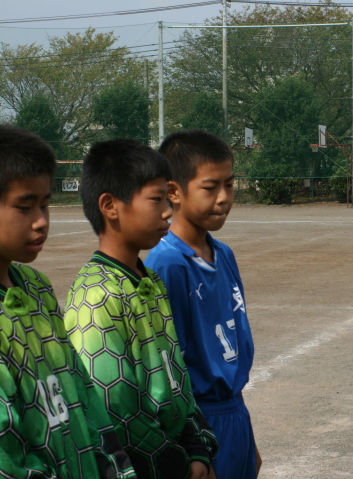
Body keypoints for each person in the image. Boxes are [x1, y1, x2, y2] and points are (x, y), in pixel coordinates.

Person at [63, 139, 218, 479]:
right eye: (156, 199)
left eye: (167, 199)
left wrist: (198, 449)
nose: (167, 211)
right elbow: (114, 409)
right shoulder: (97, 297)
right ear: (110, 206)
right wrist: (179, 464)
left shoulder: (150, 281)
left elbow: (176, 378)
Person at [0, 125, 135, 478]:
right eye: (24, 207)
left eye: (45, 205)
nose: (41, 222)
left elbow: (82, 391)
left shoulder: (36, 287)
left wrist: (116, 468)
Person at [145, 130, 260, 479]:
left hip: (235, 413)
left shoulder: (223, 254)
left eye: (230, 184)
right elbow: (166, 368)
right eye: (210, 188)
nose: (224, 198)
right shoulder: (167, 264)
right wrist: (193, 447)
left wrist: (247, 436)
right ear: (173, 192)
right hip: (199, 422)